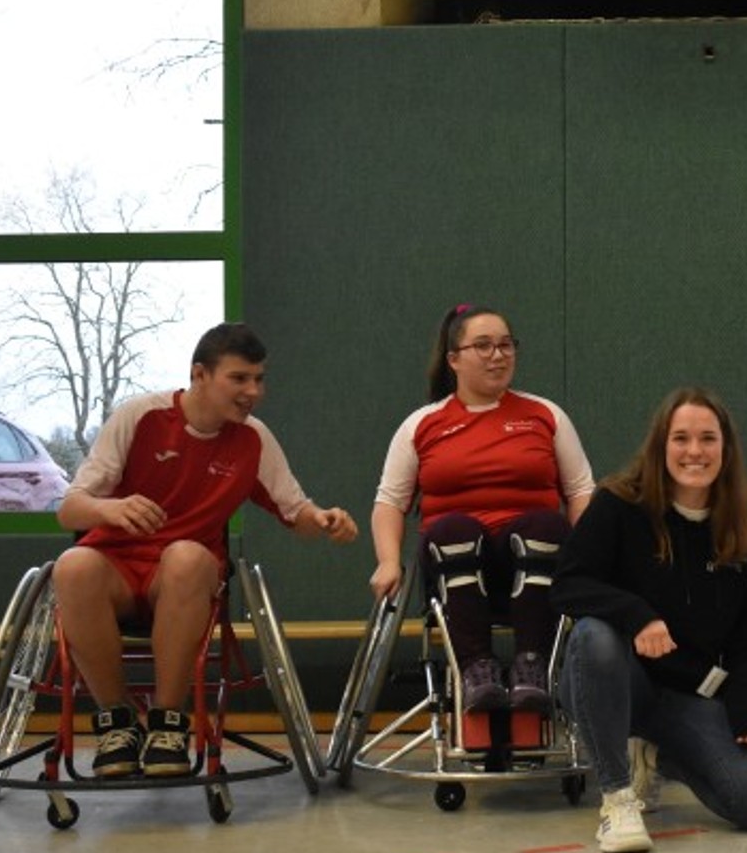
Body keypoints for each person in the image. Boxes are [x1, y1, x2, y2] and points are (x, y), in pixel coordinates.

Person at [54, 322, 358, 780]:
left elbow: (295, 511)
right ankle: (117, 722)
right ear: (199, 374)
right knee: (72, 564)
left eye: (259, 379)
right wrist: (110, 508)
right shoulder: (140, 417)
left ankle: (168, 722)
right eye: (239, 378)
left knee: (188, 555)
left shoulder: (253, 438)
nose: (253, 390)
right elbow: (69, 510)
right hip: (115, 569)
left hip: (181, 579)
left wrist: (323, 519)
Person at [552, 387, 747, 853]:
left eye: (707, 439)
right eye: (680, 438)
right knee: (594, 635)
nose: (694, 452)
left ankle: (657, 755)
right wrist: (637, 616)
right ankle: (618, 799)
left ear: (726, 448)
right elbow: (567, 584)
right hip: (613, 682)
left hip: (686, 696)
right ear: (661, 445)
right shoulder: (619, 504)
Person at [369, 304, 595, 717]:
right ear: (454, 359)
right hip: (454, 563)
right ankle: (477, 671)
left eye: (506, 345)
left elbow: (581, 491)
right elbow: (389, 502)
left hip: (531, 561)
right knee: (453, 530)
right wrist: (388, 562)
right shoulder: (422, 424)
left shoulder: (545, 415)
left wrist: (584, 556)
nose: (498, 355)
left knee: (545, 525)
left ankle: (532, 668)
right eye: (484, 346)